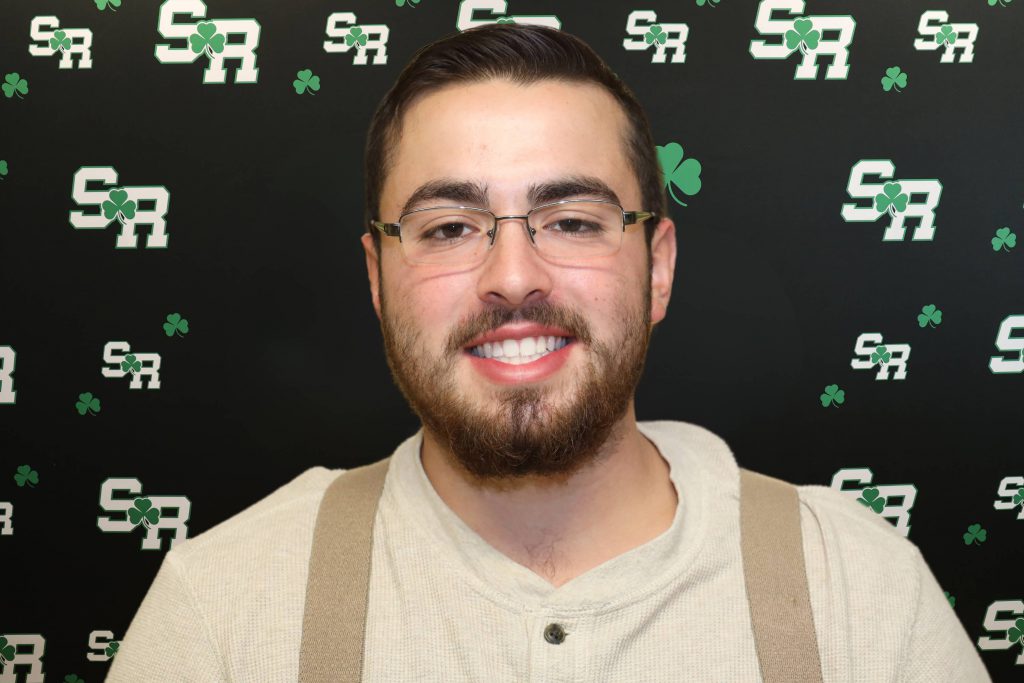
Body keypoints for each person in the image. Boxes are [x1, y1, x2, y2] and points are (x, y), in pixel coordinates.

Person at [107, 23, 990, 682]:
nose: (513, 276)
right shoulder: (222, 608)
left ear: (658, 268)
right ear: (377, 277)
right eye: (450, 227)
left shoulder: (862, 593)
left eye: (572, 221)